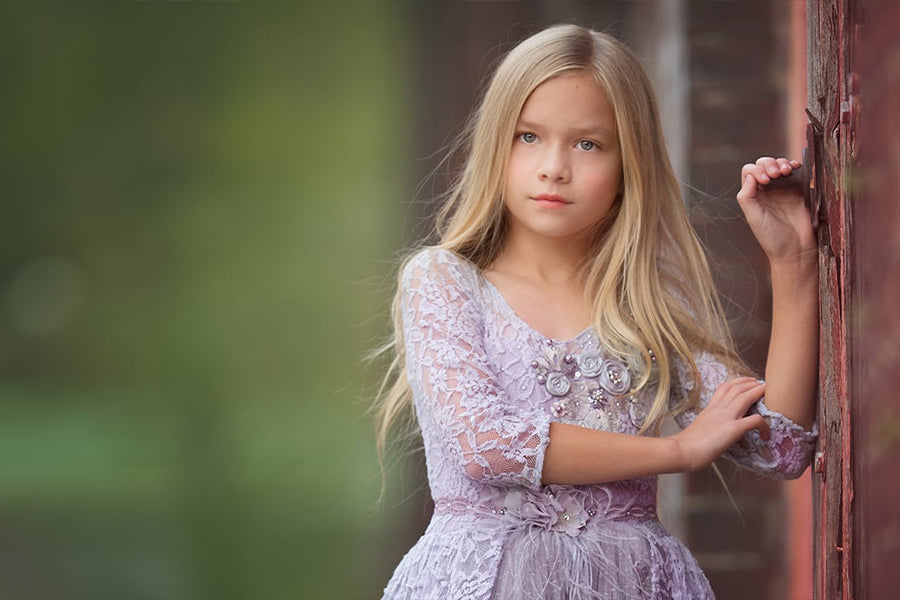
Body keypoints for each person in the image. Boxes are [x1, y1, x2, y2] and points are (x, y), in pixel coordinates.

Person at [375, 23, 818, 600]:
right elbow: (487, 446)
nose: (554, 166)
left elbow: (780, 447)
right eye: (528, 136)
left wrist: (793, 265)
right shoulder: (444, 281)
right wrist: (677, 451)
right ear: (494, 144)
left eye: (588, 144)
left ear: (628, 162)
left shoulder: (648, 306)